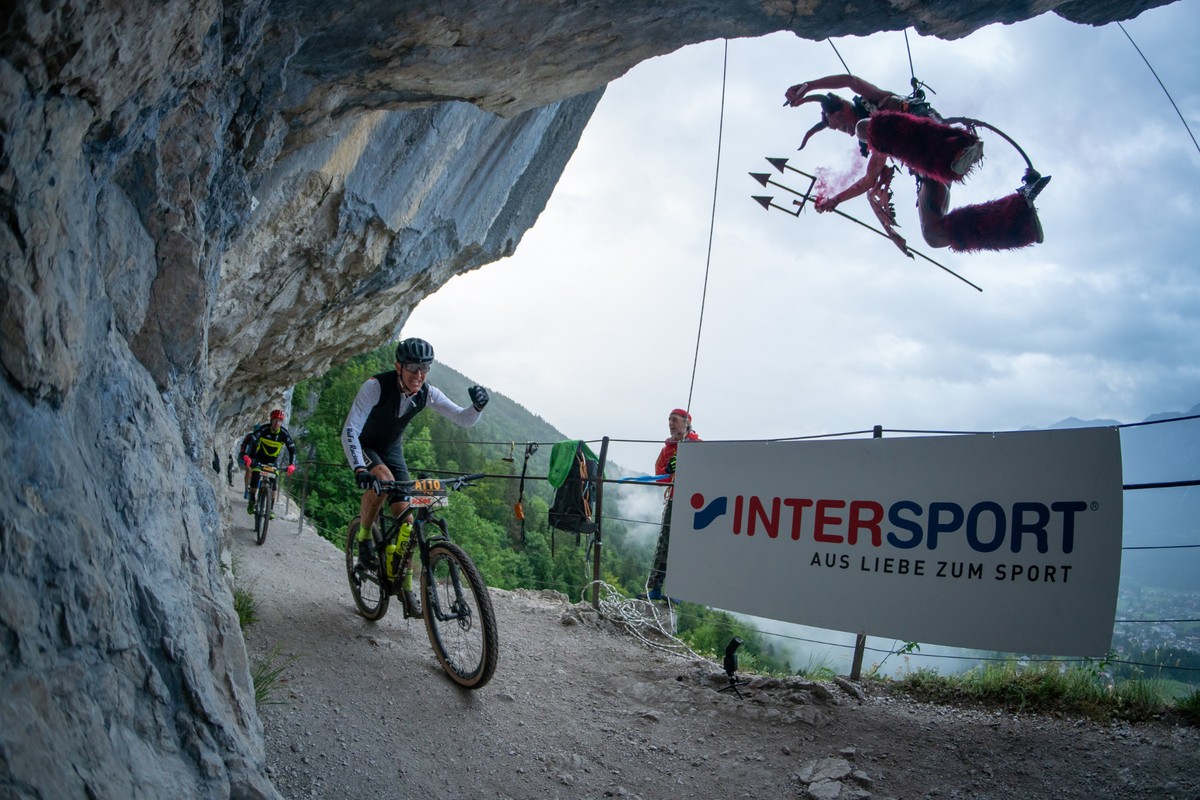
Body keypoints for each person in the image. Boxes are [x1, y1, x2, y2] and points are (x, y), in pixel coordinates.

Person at [784, 74, 1049, 253]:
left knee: (866, 127)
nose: (845, 131)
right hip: (930, 170)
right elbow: (869, 180)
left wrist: (808, 87)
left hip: (935, 139)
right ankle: (1019, 220)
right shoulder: (876, 141)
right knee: (933, 236)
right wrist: (835, 200)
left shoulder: (876, 101)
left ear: (842, 106)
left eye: (839, 124)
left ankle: (957, 147)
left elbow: (849, 80)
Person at [341, 337, 489, 618]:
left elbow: (462, 418)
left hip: (392, 448)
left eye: (425, 368)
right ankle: (363, 538)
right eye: (412, 368)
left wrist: (477, 408)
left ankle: (406, 588)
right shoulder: (376, 386)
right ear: (398, 366)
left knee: (408, 521)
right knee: (382, 479)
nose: (419, 375)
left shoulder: (427, 393)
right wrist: (360, 468)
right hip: (365, 444)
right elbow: (350, 428)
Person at [640, 408, 702, 602]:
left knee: (685, 545)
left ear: (686, 422)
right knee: (664, 543)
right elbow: (659, 476)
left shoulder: (698, 446)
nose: (670, 424)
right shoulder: (667, 449)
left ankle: (678, 591)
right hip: (675, 498)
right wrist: (668, 469)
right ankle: (656, 588)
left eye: (674, 420)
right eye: (669, 420)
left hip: (694, 502)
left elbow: (708, 472)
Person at [242, 409, 297, 518]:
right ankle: (252, 500)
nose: (277, 423)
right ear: (271, 420)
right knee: (256, 476)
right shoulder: (264, 429)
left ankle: (270, 509)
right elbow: (252, 441)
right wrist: (247, 455)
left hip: (272, 461)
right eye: (275, 420)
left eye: (280, 421)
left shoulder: (284, 434)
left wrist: (292, 464)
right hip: (259, 458)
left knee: (274, 482)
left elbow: (292, 449)